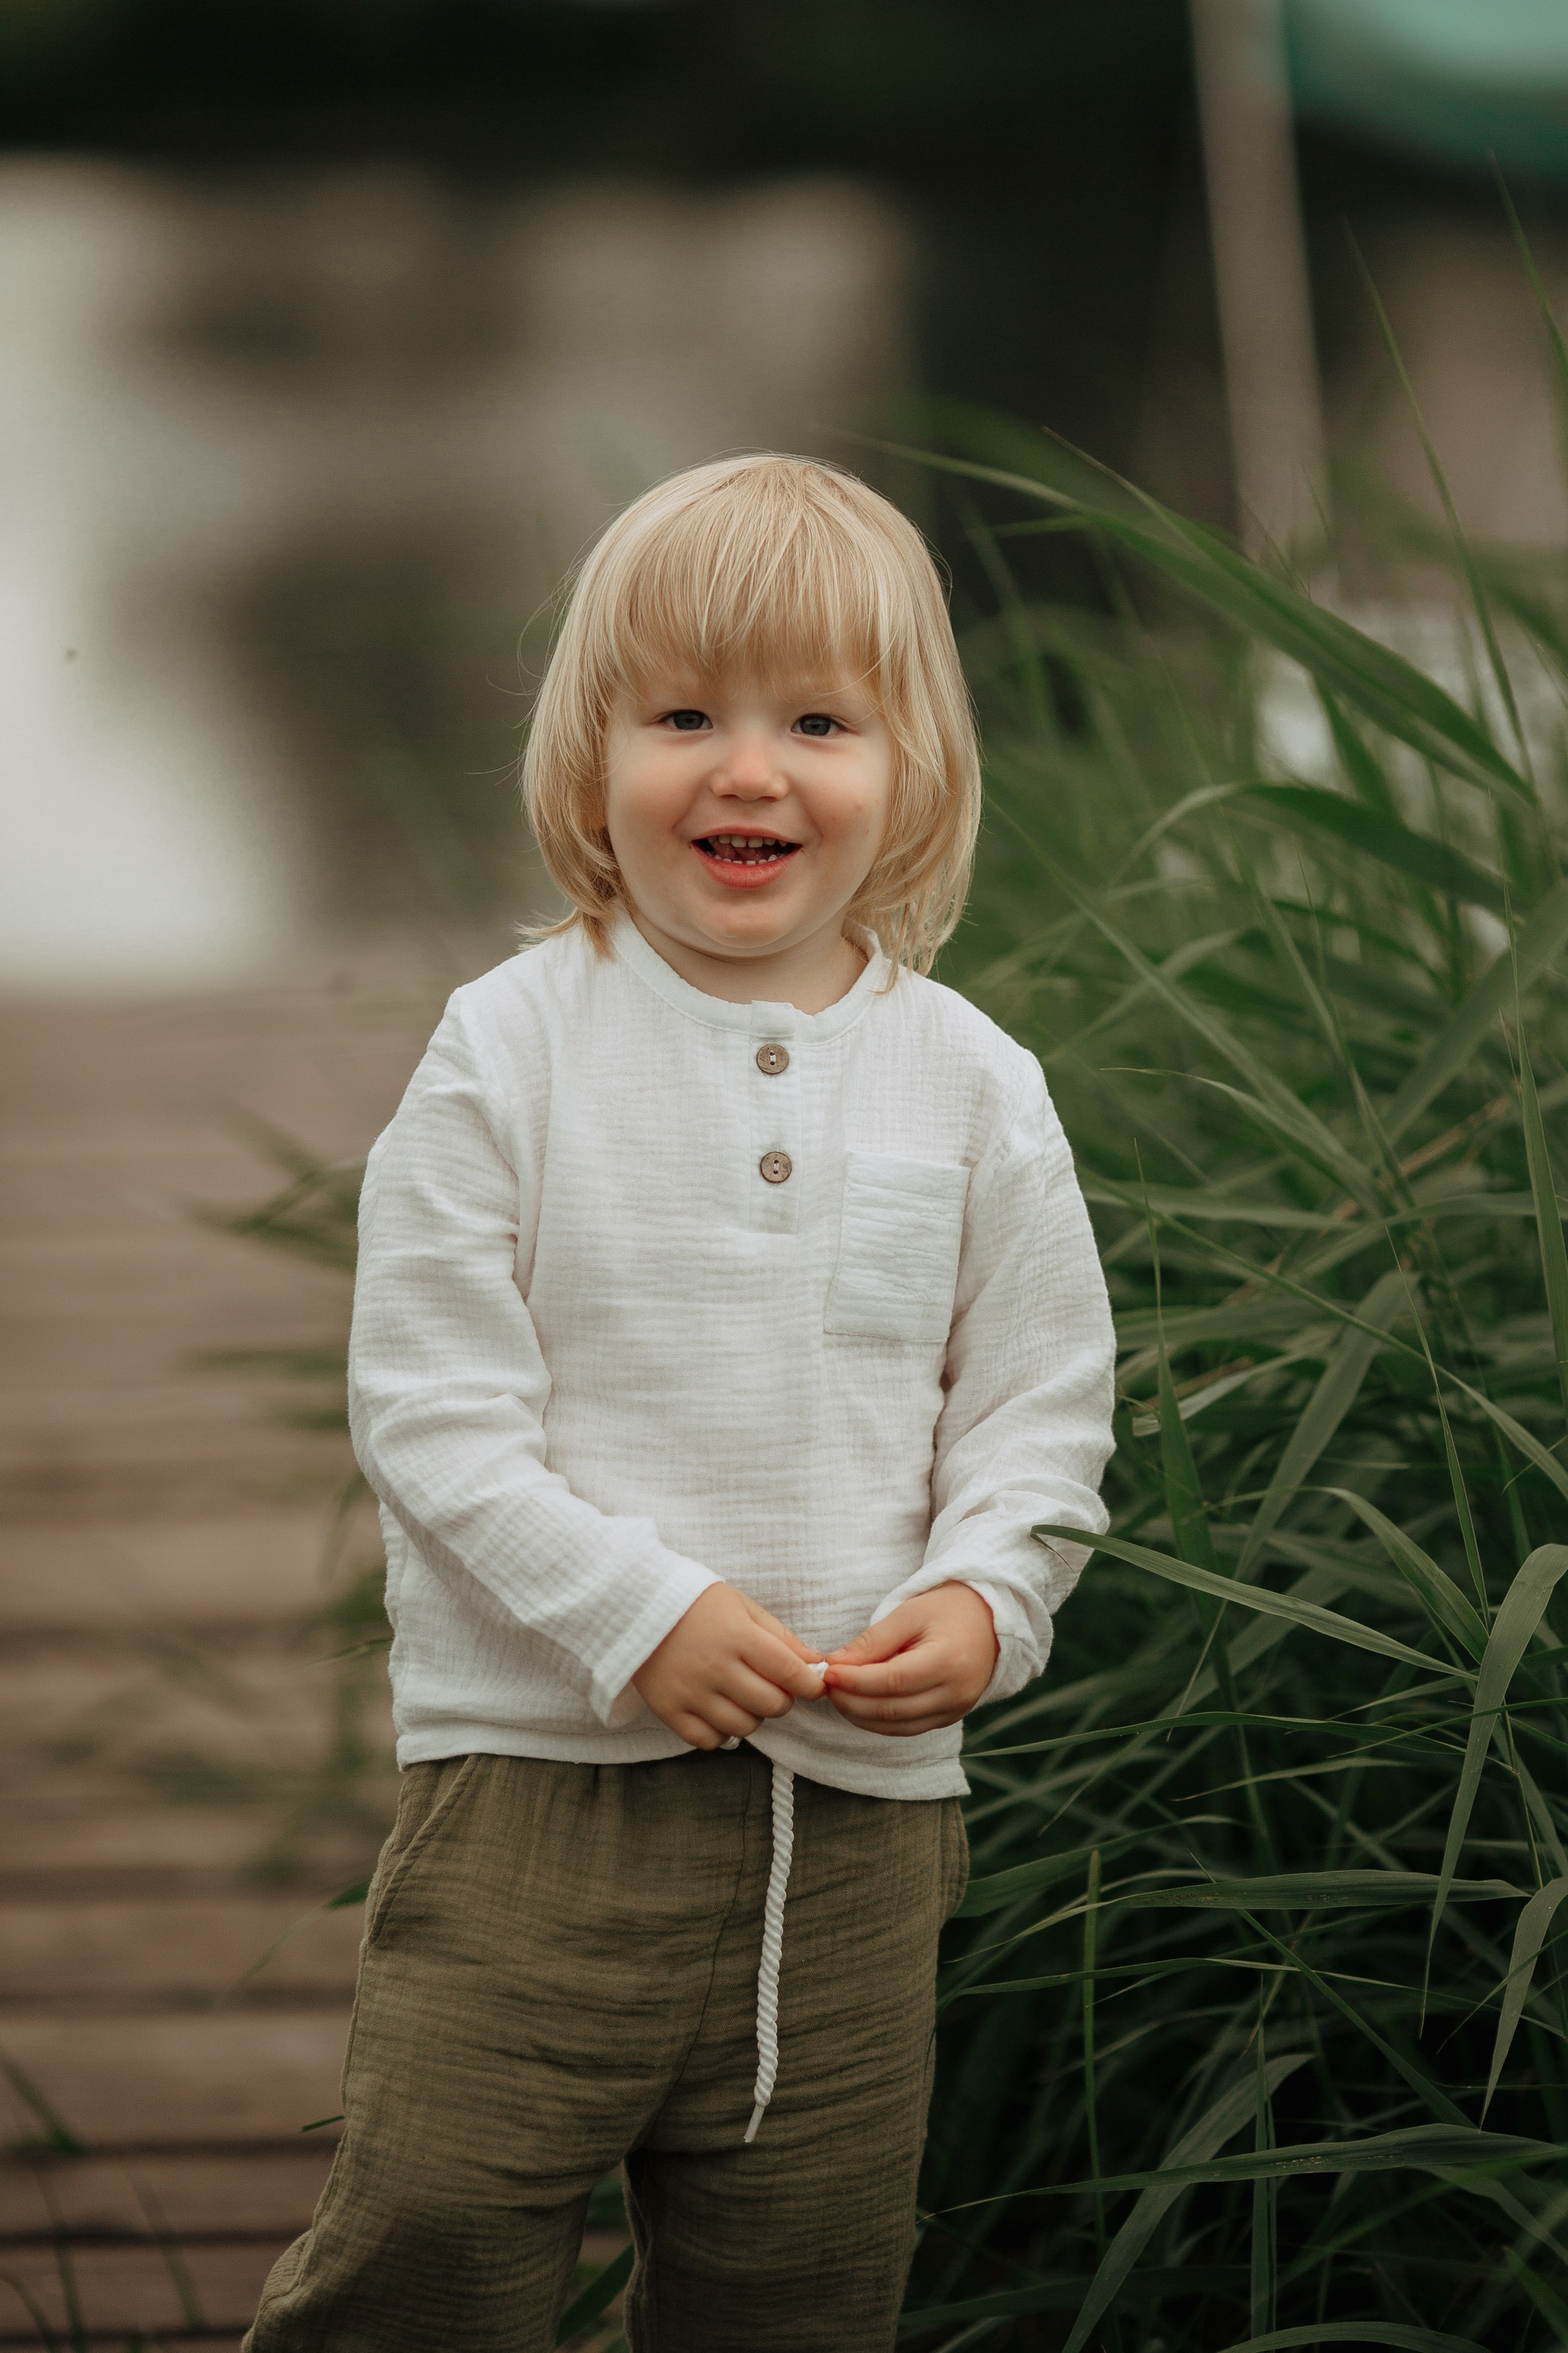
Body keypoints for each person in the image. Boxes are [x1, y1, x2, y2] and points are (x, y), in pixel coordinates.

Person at [244, 451, 1114, 2353]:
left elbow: (1041, 1406)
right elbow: (432, 1405)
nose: (750, 770)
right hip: (535, 1791)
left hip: (858, 1827)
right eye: (685, 717)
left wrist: (990, 1597)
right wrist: (637, 1613)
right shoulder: (511, 1049)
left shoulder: (974, 1083)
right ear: (591, 761)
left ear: (911, 772)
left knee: (799, 2291)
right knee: (432, 2246)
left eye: (819, 721)